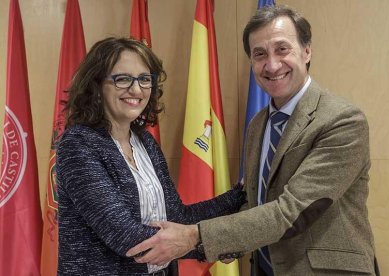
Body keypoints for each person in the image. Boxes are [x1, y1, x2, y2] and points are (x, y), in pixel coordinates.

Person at [126, 5, 380, 275]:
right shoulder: (258, 124)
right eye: (260, 54)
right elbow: (254, 202)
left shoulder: (342, 121)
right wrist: (212, 243)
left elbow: (289, 212)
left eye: (282, 49)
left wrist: (193, 236)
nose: (271, 64)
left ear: (307, 51)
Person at [56, 37, 246, 276]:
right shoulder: (78, 144)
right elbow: (125, 235)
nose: (136, 90)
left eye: (144, 79)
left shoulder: (144, 141)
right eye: (122, 79)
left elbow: (177, 216)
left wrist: (238, 195)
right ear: (96, 85)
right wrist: (214, 242)